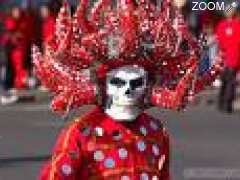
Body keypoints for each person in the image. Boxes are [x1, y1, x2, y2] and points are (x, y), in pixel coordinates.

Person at [33, 0, 222, 179]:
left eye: (136, 83)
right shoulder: (81, 132)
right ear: (104, 85)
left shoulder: (156, 131)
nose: (128, 91)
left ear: (147, 86)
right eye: (118, 83)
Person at [215, 3, 240, 113]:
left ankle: (220, 103)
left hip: (224, 57)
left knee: (224, 81)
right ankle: (227, 105)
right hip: (234, 56)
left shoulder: (221, 25)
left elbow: (219, 42)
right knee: (231, 82)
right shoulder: (238, 25)